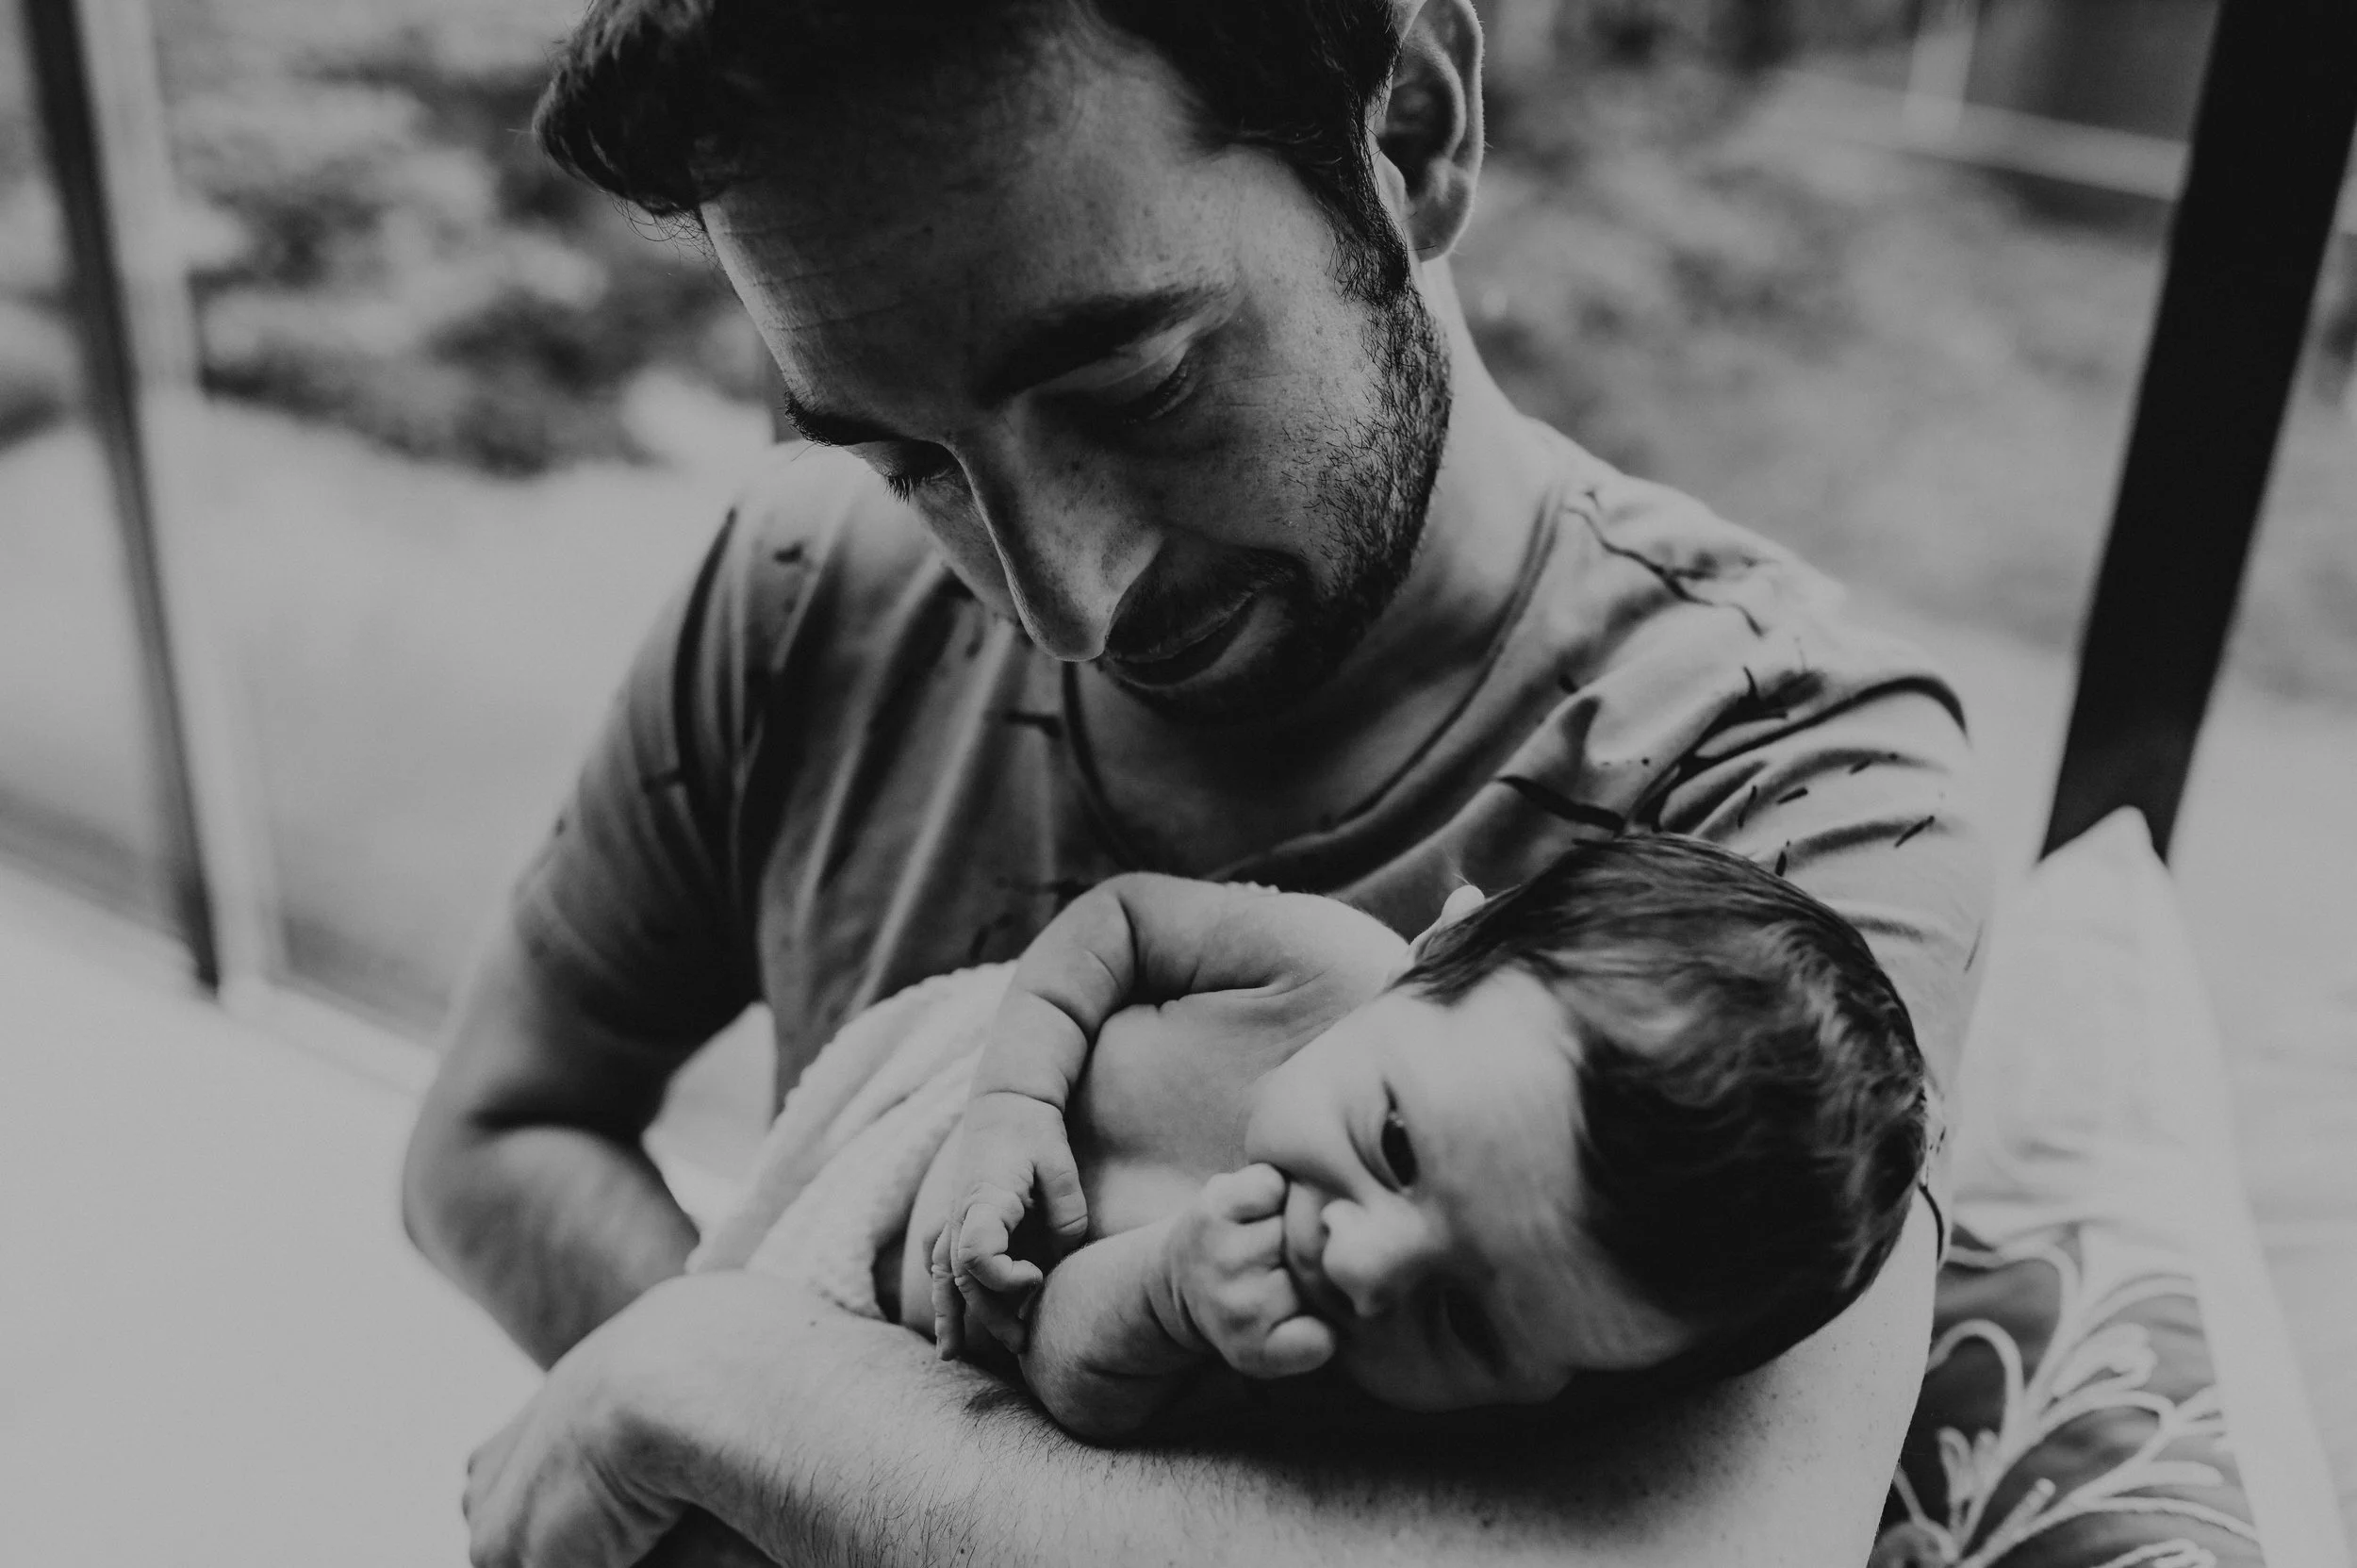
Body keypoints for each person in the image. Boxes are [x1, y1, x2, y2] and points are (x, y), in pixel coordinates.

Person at [409, 1, 1993, 1563]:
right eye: (902, 457)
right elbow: (492, 1130)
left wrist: (733, 1392)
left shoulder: (1794, 776)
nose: (1059, 602)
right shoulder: (800, 577)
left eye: (1136, 384)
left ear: (1413, 133)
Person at [923, 843, 1934, 1443]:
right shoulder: (1321, 965)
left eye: (1467, 1321)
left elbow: (1049, 1371)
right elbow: (1122, 918)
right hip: (932, 1090)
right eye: (1397, 1144)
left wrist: (1166, 1298)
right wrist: (1012, 1098)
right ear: (1440, 947)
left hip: (878, 1299)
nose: (1360, 1266)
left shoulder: (1300, 1369)